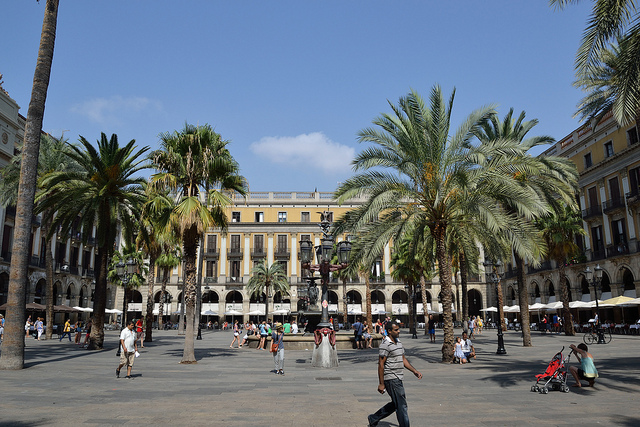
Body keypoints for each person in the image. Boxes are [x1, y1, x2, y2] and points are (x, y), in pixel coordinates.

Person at [368, 322, 422, 427]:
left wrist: (414, 371)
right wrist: (381, 384)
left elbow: (403, 359)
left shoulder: (398, 342)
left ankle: (374, 418)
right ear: (389, 331)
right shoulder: (385, 345)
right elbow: (381, 364)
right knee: (402, 405)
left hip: (398, 377)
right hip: (391, 378)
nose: (399, 331)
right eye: (396, 330)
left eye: (398, 329)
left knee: (396, 403)